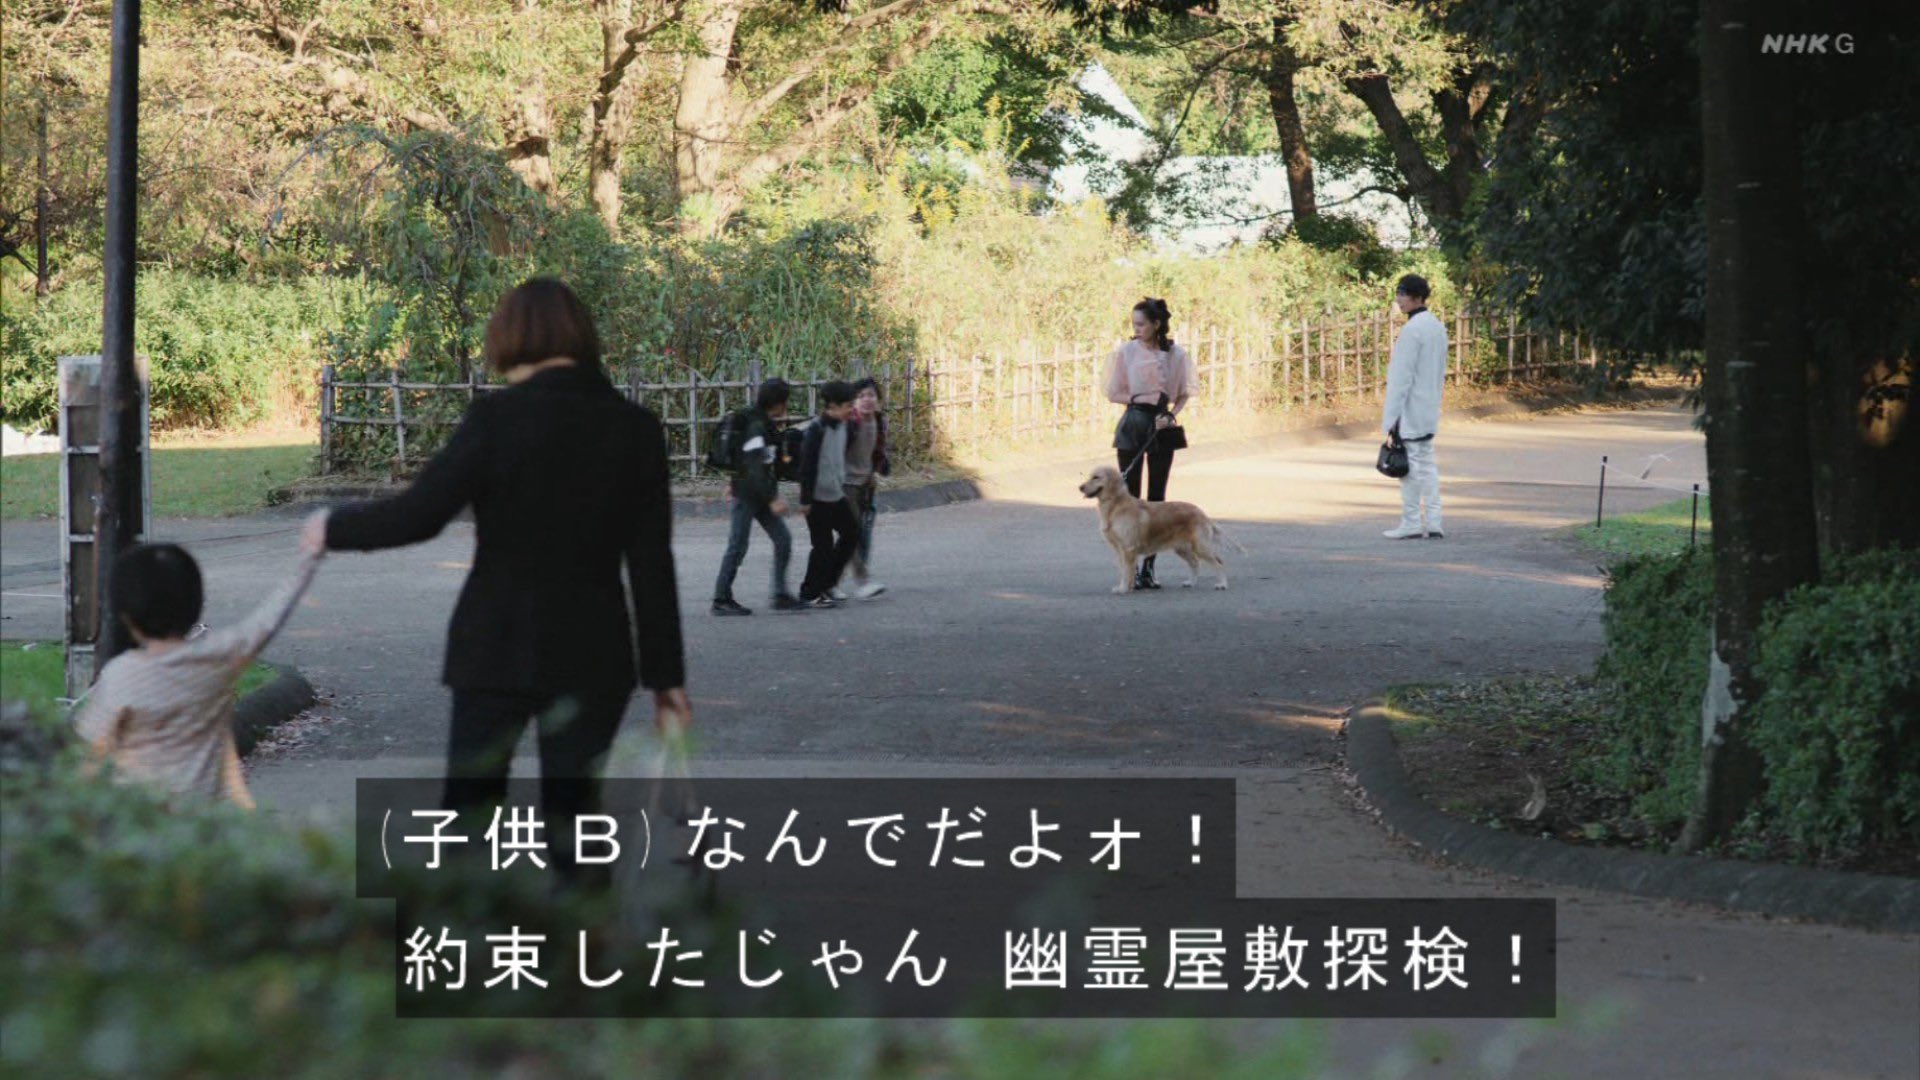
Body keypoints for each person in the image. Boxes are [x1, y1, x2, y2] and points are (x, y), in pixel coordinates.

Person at [312, 277, 690, 881]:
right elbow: (651, 562)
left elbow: (419, 515)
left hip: (495, 643)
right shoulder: (635, 428)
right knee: (575, 818)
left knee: (468, 813)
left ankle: (465, 932)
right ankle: (581, 934)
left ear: (511, 337)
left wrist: (331, 528)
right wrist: (667, 679)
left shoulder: (495, 419)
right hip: (595, 650)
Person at [73, 536, 324, 808]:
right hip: (202, 819)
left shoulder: (121, 674)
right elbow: (270, 617)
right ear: (196, 602)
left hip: (140, 822)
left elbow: (91, 751)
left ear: (125, 615)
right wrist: (310, 556)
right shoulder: (219, 660)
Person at [1103, 296, 1197, 590]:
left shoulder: (1175, 354)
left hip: (1161, 424)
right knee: (1129, 496)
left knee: (1157, 497)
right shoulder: (1126, 352)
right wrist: (1136, 398)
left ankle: (1149, 568)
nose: (1137, 329)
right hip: (1133, 422)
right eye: (1134, 324)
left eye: (1142, 324)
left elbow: (1184, 392)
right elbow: (1113, 391)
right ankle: (1129, 568)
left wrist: (1171, 415)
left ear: (1157, 324)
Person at [713, 378, 804, 616]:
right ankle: (721, 598)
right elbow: (754, 466)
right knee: (737, 546)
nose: (786, 407)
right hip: (747, 493)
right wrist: (772, 498)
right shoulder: (756, 426)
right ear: (777, 403)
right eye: (784, 402)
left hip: (757, 492)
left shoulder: (763, 423)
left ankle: (780, 594)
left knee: (783, 540)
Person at [1380, 273, 1450, 539]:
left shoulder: (1412, 330)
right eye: (1398, 293)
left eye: (1403, 294)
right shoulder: (1436, 326)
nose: (1399, 299)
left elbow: (1401, 377)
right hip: (1429, 405)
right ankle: (1434, 521)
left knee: (1407, 467)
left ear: (1417, 297)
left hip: (1410, 407)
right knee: (1427, 465)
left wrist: (1391, 417)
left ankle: (1411, 522)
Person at [796, 380, 860, 608]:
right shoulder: (816, 430)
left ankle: (829, 583)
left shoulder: (845, 426)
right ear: (833, 406)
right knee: (822, 546)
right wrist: (805, 499)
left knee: (852, 533)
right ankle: (809, 592)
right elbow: (807, 466)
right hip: (817, 498)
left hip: (836, 494)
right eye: (847, 405)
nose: (851, 409)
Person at [833, 376, 891, 601]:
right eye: (861, 396)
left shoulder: (878, 421)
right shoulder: (849, 423)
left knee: (855, 535)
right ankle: (862, 581)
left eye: (871, 395)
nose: (867, 400)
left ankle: (831, 583)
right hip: (845, 484)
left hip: (864, 485)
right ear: (853, 401)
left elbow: (876, 452)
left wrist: (875, 473)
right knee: (851, 533)